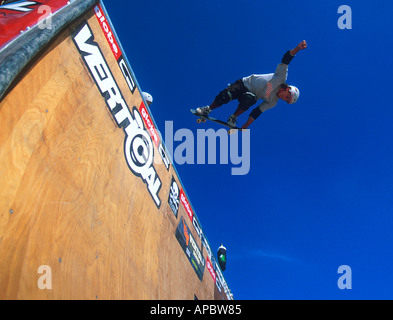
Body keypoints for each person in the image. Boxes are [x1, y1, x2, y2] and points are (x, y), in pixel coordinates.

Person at [196, 40, 307, 129]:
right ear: (287, 89)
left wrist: (246, 125)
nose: (284, 98)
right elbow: (286, 59)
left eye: (286, 100)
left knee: (250, 99)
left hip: (250, 95)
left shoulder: (273, 102)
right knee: (225, 96)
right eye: (287, 96)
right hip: (244, 83)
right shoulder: (281, 77)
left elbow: (257, 111)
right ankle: (207, 109)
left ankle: (233, 117)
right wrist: (298, 48)